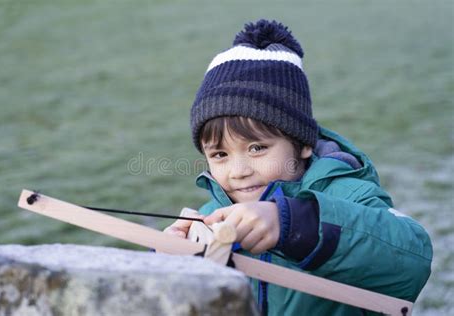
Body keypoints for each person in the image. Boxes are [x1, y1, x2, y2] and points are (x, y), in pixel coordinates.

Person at [163, 19, 432, 315]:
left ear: (303, 143)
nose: (238, 171)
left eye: (257, 148)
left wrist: (296, 225)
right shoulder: (209, 217)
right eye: (220, 155)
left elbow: (413, 260)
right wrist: (167, 261)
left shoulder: (348, 195)